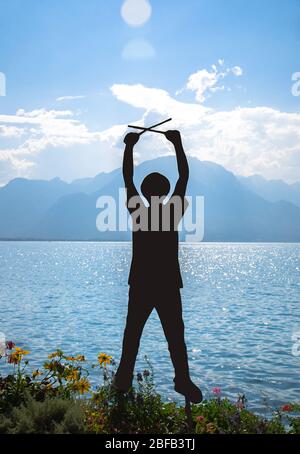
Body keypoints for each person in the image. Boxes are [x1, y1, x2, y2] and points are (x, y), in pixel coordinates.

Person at [113, 130, 202, 403]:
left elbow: (127, 177)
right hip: (166, 283)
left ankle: (124, 378)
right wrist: (177, 144)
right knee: (176, 336)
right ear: (164, 192)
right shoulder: (172, 210)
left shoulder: (137, 208)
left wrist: (129, 147)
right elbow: (184, 177)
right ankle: (182, 379)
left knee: (133, 334)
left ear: (145, 190)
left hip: (141, 282)